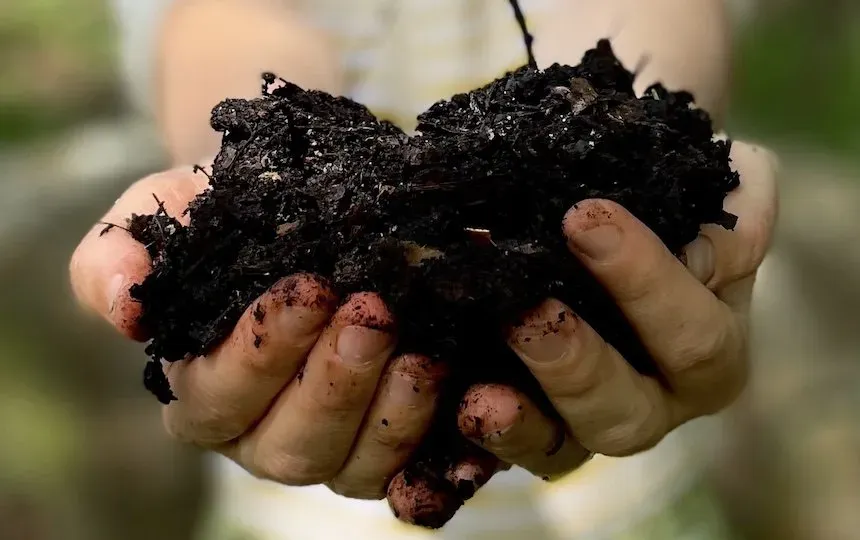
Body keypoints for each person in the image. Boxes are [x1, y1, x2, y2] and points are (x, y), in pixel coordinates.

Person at [72, 0, 778, 538]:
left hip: (628, 499)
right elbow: (232, 14)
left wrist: (635, 126)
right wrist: (244, 168)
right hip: (298, 512)